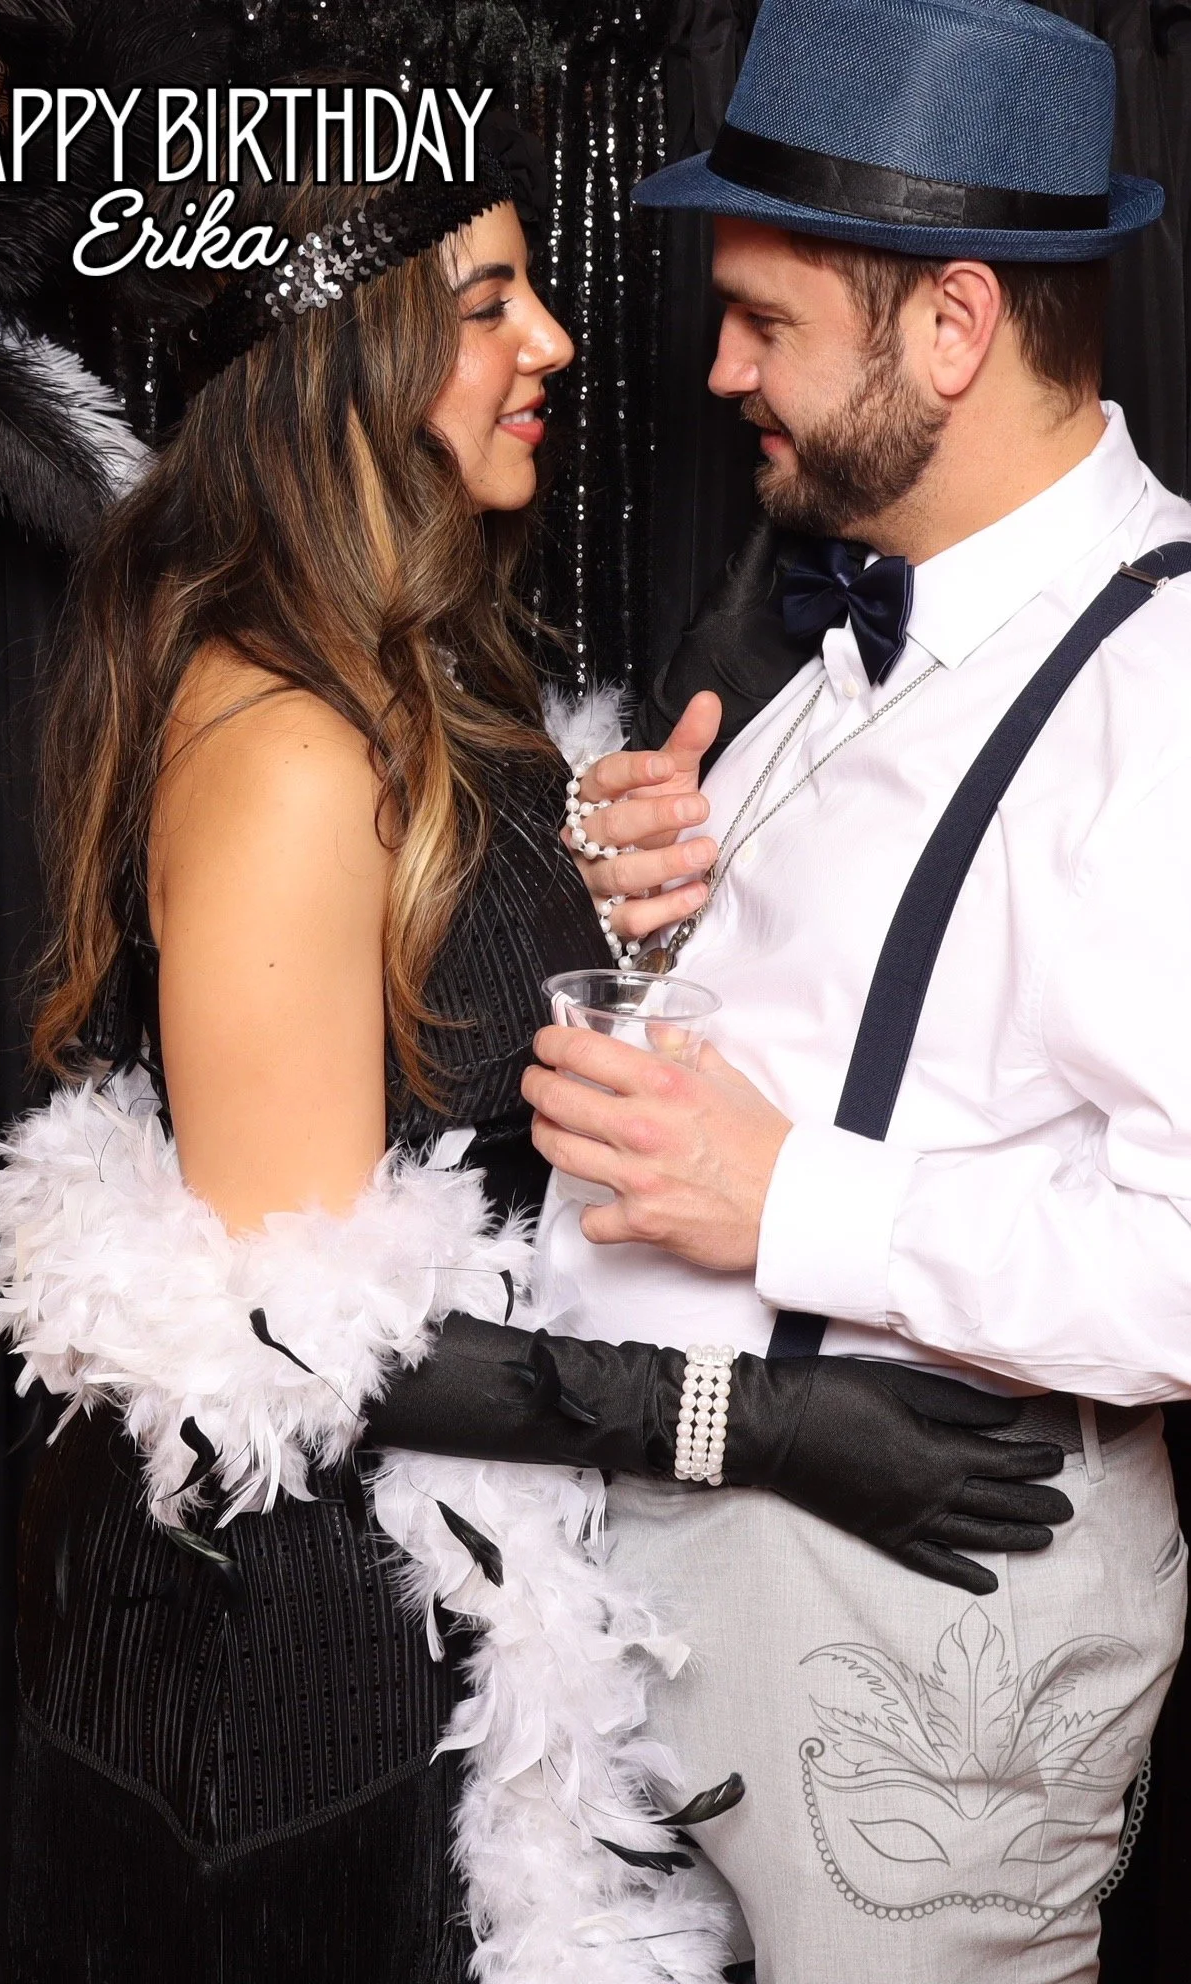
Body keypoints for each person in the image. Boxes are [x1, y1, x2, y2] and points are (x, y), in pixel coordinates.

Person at [0, 83, 1073, 1984]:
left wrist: (643, 883)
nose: (551, 339)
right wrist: (766, 1423)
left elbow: (463, 1053)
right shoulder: (282, 739)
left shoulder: (422, 673)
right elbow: (291, 1331)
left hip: (444, 1616)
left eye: (531, 291)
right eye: (483, 304)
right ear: (332, 363)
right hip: (282, 1684)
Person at [528, 3, 1191, 1980]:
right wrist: (658, 902)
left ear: (951, 328)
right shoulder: (872, 618)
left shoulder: (1160, 698)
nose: (716, 366)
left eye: (766, 321)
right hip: (694, 1590)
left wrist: (789, 1196)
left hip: (906, 1645)